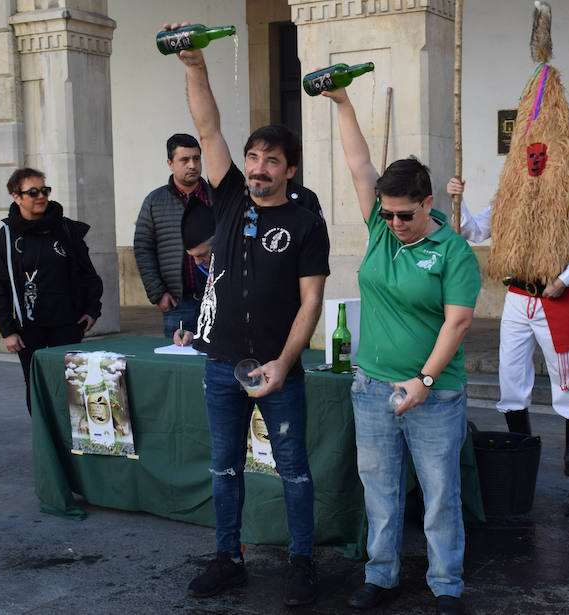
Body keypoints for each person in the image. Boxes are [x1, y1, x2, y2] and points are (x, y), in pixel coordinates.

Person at [171, 22, 331, 607]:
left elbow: (311, 301)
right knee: (224, 468)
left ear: (291, 169)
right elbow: (208, 126)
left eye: (272, 160)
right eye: (254, 157)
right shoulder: (231, 195)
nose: (259, 167)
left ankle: (302, 562)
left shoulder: (307, 223)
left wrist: (285, 364)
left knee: (292, 469)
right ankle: (228, 558)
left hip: (275, 366)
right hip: (220, 364)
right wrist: (193, 65)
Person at [324, 86, 481, 615]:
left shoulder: (453, 252)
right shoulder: (382, 229)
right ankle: (381, 574)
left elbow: (457, 323)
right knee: (380, 491)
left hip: (433, 395)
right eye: (387, 214)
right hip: (371, 387)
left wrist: (425, 381)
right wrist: (343, 102)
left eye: (405, 215)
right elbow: (359, 161)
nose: (394, 224)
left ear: (429, 202)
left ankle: (446, 585)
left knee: (439, 497)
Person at [447, 1, 569, 477]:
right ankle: (520, 446)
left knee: (565, 377)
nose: (534, 162)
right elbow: (474, 232)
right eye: (528, 156)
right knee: (512, 376)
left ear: (552, 155)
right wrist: (460, 200)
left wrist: (565, 279)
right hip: (517, 297)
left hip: (556, 298)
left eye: (541, 156)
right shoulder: (509, 196)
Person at [0, 168, 103, 414]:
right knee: (37, 388)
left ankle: (72, 444)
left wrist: (92, 309)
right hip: (29, 328)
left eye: (44, 190)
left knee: (74, 388)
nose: (41, 196)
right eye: (32, 192)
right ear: (16, 197)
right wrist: (7, 330)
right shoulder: (7, 236)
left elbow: (88, 275)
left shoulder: (65, 229)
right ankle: (45, 445)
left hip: (67, 323)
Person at [134, 133, 211, 338]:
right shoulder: (154, 201)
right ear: (170, 163)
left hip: (216, 298)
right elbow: (143, 248)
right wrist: (157, 293)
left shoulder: (215, 196)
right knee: (180, 360)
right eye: (184, 160)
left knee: (217, 359)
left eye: (196, 158)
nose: (192, 165)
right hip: (178, 302)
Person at [173, 195, 214, 347]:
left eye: (202, 255)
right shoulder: (202, 267)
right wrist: (192, 334)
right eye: (192, 257)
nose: (197, 262)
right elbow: (205, 310)